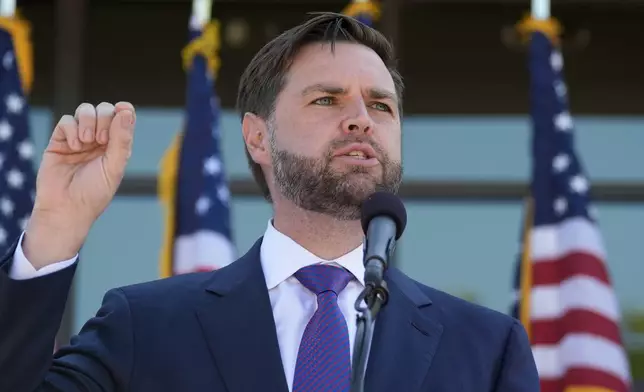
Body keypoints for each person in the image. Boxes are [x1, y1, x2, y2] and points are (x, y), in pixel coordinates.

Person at [0, 12, 539, 392]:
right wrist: (54, 229)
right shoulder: (145, 325)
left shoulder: (486, 349)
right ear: (257, 137)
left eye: (381, 105)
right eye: (327, 99)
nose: (361, 118)